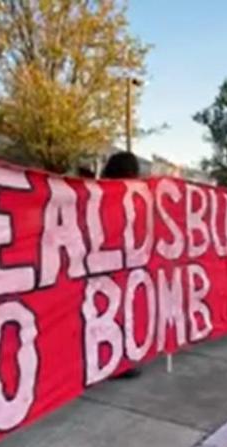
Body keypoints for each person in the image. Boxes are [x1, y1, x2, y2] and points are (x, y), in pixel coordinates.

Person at [100, 152, 144, 379]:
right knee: (118, 313)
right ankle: (117, 362)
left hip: (107, 264)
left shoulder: (98, 193)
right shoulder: (129, 196)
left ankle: (112, 360)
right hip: (115, 264)